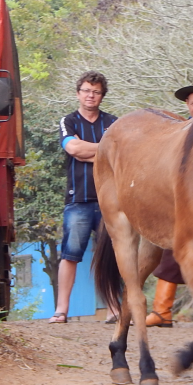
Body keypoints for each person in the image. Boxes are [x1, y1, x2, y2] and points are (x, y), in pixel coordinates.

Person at [145, 81, 193, 328]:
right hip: (179, 202)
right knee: (171, 252)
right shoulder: (176, 131)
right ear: (187, 105)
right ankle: (161, 311)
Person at [49, 71, 117, 323]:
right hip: (78, 198)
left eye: (96, 92)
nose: (91, 95)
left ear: (102, 95)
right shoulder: (68, 121)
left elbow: (119, 153)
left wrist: (87, 150)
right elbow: (73, 148)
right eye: (87, 90)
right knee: (70, 254)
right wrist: (103, 150)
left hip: (109, 199)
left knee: (112, 255)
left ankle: (114, 309)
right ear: (78, 93)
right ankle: (61, 310)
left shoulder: (113, 123)